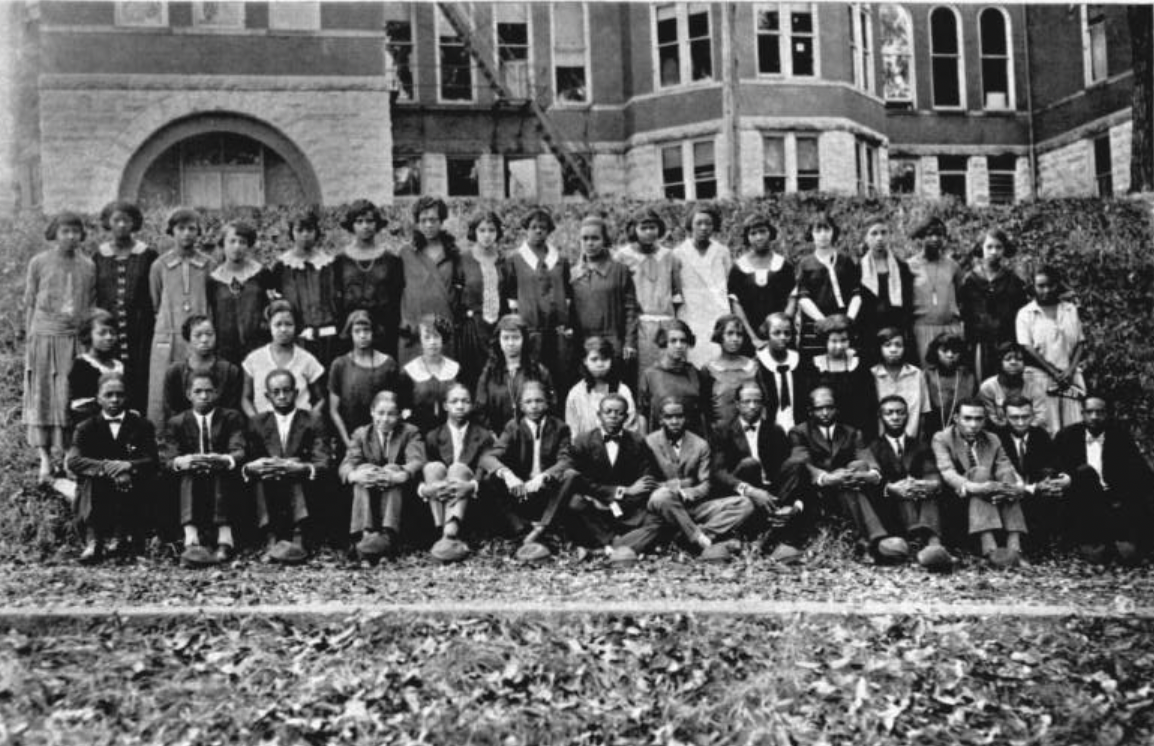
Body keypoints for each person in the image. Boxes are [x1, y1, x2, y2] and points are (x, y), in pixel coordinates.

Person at [790, 387, 911, 564]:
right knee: (848, 480)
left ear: (836, 409)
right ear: (810, 411)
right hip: (818, 492)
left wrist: (871, 475)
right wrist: (827, 477)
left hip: (849, 490)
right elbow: (803, 463)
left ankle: (867, 542)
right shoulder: (799, 432)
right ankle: (874, 541)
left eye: (829, 407)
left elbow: (868, 459)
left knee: (857, 469)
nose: (825, 413)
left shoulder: (851, 432)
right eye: (819, 408)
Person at [25, 211, 97, 482]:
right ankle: (45, 459)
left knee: (70, 398)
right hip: (43, 336)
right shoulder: (38, 263)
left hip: (74, 339)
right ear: (54, 233)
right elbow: (30, 302)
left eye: (75, 231)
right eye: (65, 231)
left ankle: (70, 456)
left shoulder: (88, 265)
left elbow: (90, 305)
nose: (70, 236)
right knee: (42, 396)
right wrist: (31, 340)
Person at [637, 397, 753, 562]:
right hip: (664, 507)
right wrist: (683, 483)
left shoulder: (700, 445)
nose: (675, 421)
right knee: (661, 495)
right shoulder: (648, 443)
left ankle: (692, 537)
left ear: (686, 418)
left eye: (679, 416)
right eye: (669, 417)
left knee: (745, 504)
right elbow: (648, 482)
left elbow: (706, 484)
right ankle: (698, 538)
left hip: (692, 505)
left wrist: (686, 493)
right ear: (661, 419)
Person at [712, 382, 812, 563]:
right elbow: (718, 472)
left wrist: (794, 504)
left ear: (763, 404)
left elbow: (786, 471)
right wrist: (750, 490)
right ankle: (761, 539)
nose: (752, 406)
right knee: (750, 464)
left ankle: (775, 535)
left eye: (757, 401)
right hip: (743, 489)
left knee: (796, 465)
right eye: (746, 401)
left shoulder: (774, 430)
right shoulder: (722, 430)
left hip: (771, 492)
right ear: (737, 404)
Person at [480, 380, 578, 562]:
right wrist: (507, 474)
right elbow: (488, 458)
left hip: (547, 493)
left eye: (539, 401)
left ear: (547, 403)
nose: (534, 406)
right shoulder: (513, 427)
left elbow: (567, 460)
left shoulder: (560, 428)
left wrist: (544, 476)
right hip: (521, 491)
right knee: (489, 480)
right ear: (520, 405)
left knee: (571, 475)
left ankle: (541, 528)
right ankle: (522, 529)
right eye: (528, 402)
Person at [159, 370, 248, 567]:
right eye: (198, 391)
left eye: (209, 391)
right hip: (189, 480)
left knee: (218, 468)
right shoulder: (177, 422)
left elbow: (239, 450)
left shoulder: (231, 417)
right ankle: (191, 539)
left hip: (223, 479)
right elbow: (168, 459)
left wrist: (224, 459)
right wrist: (183, 461)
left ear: (216, 393)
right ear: (188, 394)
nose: (204, 396)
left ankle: (225, 539)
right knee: (189, 472)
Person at [66, 372, 158, 563]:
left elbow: (152, 460)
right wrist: (108, 468)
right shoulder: (86, 427)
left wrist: (128, 466)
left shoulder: (141, 425)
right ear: (98, 398)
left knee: (136, 484)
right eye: (108, 395)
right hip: (98, 486)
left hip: (131, 487)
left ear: (127, 397)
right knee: (90, 481)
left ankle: (121, 537)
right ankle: (93, 541)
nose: (114, 399)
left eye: (119, 394)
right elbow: (74, 461)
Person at [242, 369, 330, 564]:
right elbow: (247, 459)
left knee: (294, 470)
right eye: (276, 392)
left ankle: (299, 537)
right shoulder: (257, 422)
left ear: (296, 393)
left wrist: (302, 467)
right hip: (269, 485)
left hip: (303, 486)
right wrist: (255, 466)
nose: (282, 396)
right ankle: (270, 537)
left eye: (287, 390)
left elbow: (322, 461)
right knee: (264, 474)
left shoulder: (312, 419)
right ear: (267, 396)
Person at [1053, 396, 1154, 564]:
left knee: (1129, 552)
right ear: (1082, 413)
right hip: (1082, 498)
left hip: (1114, 497)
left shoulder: (1119, 435)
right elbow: (1055, 466)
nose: (1094, 417)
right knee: (1085, 472)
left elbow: (1139, 471)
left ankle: (1121, 541)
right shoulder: (1067, 435)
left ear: (1107, 414)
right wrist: (1068, 477)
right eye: (1089, 412)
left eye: (1099, 412)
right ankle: (1093, 542)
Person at [566, 394, 662, 567]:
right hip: (595, 507)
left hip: (627, 509)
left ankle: (610, 548)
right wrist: (621, 491)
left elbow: (646, 480)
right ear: (599, 415)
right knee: (575, 503)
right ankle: (621, 546)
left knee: (656, 521)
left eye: (618, 413)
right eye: (608, 412)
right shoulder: (583, 441)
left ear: (626, 417)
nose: (612, 416)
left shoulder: (638, 441)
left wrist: (621, 501)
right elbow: (581, 481)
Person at [931, 397, 1027, 567]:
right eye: (967, 418)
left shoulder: (992, 439)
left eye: (978, 419)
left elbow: (1004, 467)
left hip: (990, 497)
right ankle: (988, 547)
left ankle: (1015, 545)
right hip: (958, 500)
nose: (973, 424)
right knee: (981, 472)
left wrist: (1010, 489)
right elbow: (948, 472)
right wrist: (977, 487)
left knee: (1007, 475)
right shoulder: (942, 438)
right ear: (956, 419)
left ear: (985, 420)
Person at [868, 395, 954, 571]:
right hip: (891, 507)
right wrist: (893, 488)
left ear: (908, 415)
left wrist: (926, 484)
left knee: (929, 490)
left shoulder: (920, 445)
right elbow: (874, 482)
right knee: (903, 487)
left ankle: (933, 544)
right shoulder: (873, 447)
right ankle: (917, 544)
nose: (895, 417)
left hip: (920, 503)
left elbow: (932, 472)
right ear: (880, 417)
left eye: (900, 413)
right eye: (889, 413)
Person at [339, 390, 425, 562]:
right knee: (364, 469)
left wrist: (401, 474)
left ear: (400, 415)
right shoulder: (361, 434)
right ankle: (364, 534)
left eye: (391, 414)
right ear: (372, 412)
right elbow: (347, 464)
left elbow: (417, 460)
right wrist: (356, 475)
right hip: (368, 489)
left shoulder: (410, 432)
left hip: (397, 492)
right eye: (380, 413)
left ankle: (388, 535)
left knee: (393, 468)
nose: (385, 419)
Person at [147, 208, 214, 427]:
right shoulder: (160, 265)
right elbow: (156, 301)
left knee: (197, 382)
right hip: (168, 335)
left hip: (197, 337)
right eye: (181, 228)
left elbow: (211, 299)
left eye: (192, 229)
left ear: (199, 233)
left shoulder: (208, 265)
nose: (186, 234)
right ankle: (162, 440)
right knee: (163, 389)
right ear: (171, 232)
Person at [418, 383, 495, 563]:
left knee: (457, 468)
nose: (460, 406)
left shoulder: (483, 436)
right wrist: (429, 489)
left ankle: (450, 531)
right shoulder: (433, 436)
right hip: (439, 499)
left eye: (465, 401)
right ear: (445, 405)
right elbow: (423, 474)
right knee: (432, 467)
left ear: (472, 405)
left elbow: (485, 470)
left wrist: (470, 486)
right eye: (454, 401)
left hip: (471, 501)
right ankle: (442, 532)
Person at [94, 200, 157, 413]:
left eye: (126, 220)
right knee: (110, 373)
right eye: (116, 220)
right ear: (108, 223)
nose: (121, 225)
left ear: (134, 223)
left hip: (140, 327)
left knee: (140, 371)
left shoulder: (147, 255)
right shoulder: (99, 256)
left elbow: (154, 292)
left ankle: (139, 423)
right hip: (109, 328)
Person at [504, 207, 574, 391]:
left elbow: (567, 293)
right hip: (530, 329)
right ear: (526, 229)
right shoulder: (515, 260)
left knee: (559, 376)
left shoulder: (560, 260)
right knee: (532, 377)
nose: (538, 231)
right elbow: (511, 296)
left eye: (543, 227)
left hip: (557, 331)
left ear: (549, 230)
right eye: (534, 227)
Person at [613, 207, 683, 386]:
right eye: (643, 228)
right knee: (643, 375)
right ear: (633, 230)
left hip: (665, 321)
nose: (649, 232)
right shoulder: (622, 257)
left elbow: (677, 293)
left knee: (667, 373)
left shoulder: (669, 256)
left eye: (653, 227)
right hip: (639, 324)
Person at [1016, 265, 1086, 434]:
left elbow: (1080, 343)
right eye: (1041, 286)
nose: (1046, 290)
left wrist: (1069, 371)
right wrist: (1054, 372)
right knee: (1048, 428)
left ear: (1057, 285)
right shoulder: (1026, 314)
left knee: (1074, 427)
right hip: (1040, 378)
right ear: (1033, 286)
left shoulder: (1070, 309)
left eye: (1050, 285)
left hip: (1070, 379)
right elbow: (1027, 348)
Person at [270, 207, 341, 369]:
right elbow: (276, 304)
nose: (305, 235)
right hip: (297, 340)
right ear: (291, 233)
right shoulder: (282, 267)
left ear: (316, 232)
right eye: (299, 230)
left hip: (328, 338)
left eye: (309, 229)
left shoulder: (329, 264)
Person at [398, 197, 467, 365]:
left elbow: (460, 290)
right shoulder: (406, 253)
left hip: (444, 327)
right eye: (423, 220)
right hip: (414, 327)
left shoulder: (452, 253)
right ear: (416, 222)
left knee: (445, 375)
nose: (428, 225)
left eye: (433, 220)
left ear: (441, 220)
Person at [334, 199, 403, 357]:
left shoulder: (391, 260)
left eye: (370, 221)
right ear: (352, 225)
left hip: (384, 328)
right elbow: (336, 297)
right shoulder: (340, 261)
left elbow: (397, 297)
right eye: (359, 221)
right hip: (350, 327)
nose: (365, 226)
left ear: (377, 224)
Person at [998, 395, 1069, 550]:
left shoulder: (1039, 435)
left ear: (1033, 416)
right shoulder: (997, 437)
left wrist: (1055, 480)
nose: (1021, 422)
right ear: (1004, 417)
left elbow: (1053, 463)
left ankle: (1046, 541)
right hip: (1009, 492)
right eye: (1014, 417)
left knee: (1053, 491)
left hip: (1034, 492)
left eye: (1025, 417)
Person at [959, 228, 1028, 381]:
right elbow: (964, 312)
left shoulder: (1013, 280)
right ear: (981, 249)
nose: (993, 252)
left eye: (998, 247)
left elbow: (1020, 312)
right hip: (979, 342)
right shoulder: (970, 280)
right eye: (989, 247)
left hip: (1006, 339)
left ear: (1004, 250)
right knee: (980, 380)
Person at [328, 309, 401, 451]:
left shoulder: (388, 364)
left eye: (366, 330)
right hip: (350, 441)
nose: (362, 335)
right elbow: (334, 410)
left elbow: (394, 407)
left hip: (382, 440)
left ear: (373, 332)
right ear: (350, 333)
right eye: (357, 331)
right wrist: (348, 443)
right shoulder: (340, 365)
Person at [570, 215, 638, 365]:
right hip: (583, 344)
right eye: (585, 239)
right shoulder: (573, 274)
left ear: (604, 240)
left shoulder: (620, 271)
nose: (589, 243)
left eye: (595, 238)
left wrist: (630, 342)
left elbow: (631, 310)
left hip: (613, 341)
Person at [241, 300, 325, 419]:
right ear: (269, 325)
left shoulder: (307, 360)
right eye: (278, 324)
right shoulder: (254, 359)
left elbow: (321, 399)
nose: (283, 329)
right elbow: (246, 399)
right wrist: (256, 422)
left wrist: (310, 420)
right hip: (265, 428)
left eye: (288, 324)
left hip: (299, 428)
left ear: (296, 326)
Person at [673, 203, 732, 369]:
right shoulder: (679, 253)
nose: (704, 227)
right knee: (693, 355)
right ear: (690, 225)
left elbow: (729, 283)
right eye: (699, 223)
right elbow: (676, 288)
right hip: (691, 312)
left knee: (717, 355)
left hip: (717, 310)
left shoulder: (722, 251)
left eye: (708, 223)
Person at [794, 211, 860, 362]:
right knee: (816, 365)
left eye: (827, 229)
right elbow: (803, 298)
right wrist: (824, 322)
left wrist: (848, 320)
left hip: (844, 322)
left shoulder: (845, 260)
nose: (823, 235)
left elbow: (856, 294)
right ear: (811, 234)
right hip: (816, 324)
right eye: (818, 230)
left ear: (833, 232)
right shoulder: (805, 263)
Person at [727, 214, 796, 354]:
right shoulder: (739, 268)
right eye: (753, 233)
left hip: (781, 337)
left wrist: (780, 331)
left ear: (770, 233)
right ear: (747, 237)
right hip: (749, 336)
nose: (759, 237)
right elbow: (736, 305)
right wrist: (753, 338)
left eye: (762, 232)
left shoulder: (783, 265)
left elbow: (792, 299)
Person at [474, 313, 554, 432]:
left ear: (524, 340)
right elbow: (480, 410)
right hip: (498, 440)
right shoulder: (489, 373)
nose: (510, 343)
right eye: (506, 338)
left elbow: (551, 406)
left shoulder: (538, 372)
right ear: (498, 340)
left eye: (516, 337)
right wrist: (493, 436)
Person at [208, 220, 270, 364]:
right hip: (224, 350)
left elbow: (271, 307)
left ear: (248, 246)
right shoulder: (213, 280)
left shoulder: (261, 274)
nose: (237, 247)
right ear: (223, 244)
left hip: (258, 347)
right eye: (232, 241)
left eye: (242, 242)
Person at [459, 211, 509, 390]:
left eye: (491, 230)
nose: (487, 235)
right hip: (472, 328)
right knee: (474, 376)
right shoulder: (462, 260)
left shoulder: (504, 261)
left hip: (498, 328)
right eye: (482, 230)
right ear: (474, 232)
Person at [161, 315, 243, 423]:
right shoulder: (175, 372)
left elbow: (232, 412)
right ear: (188, 338)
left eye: (209, 334)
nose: (204, 340)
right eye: (198, 335)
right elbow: (170, 411)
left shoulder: (229, 371)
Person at [855, 217, 914, 365]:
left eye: (883, 233)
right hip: (869, 330)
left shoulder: (901, 267)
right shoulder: (857, 268)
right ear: (865, 238)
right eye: (874, 234)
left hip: (896, 327)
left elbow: (908, 302)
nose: (879, 238)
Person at [907, 217, 963, 365]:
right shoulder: (910, 266)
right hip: (922, 330)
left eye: (939, 235)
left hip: (949, 328)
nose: (935, 239)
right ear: (921, 238)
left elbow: (959, 297)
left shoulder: (952, 266)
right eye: (929, 235)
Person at [637, 319, 707, 437]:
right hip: (661, 442)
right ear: (664, 343)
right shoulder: (650, 375)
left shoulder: (695, 373)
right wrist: (643, 445)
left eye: (683, 341)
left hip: (691, 442)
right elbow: (642, 414)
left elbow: (704, 413)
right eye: (673, 341)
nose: (679, 346)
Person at [809, 314, 875, 438]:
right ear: (825, 341)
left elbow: (868, 402)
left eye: (843, 340)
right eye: (834, 341)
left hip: (855, 428)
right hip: (823, 429)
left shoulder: (859, 365)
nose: (839, 346)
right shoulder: (814, 366)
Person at [398, 313, 461, 435]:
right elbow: (403, 409)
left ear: (443, 338)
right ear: (420, 339)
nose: (432, 342)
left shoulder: (455, 369)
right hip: (418, 436)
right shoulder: (409, 372)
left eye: (436, 336)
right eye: (427, 337)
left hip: (451, 434)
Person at [564, 335, 637, 438]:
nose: (600, 364)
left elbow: (630, 429)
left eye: (604, 359)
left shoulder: (622, 391)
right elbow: (573, 431)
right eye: (594, 359)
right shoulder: (576, 393)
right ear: (585, 361)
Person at [870, 327, 931, 440]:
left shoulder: (916, 374)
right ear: (879, 348)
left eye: (898, 345)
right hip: (880, 443)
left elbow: (923, 411)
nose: (893, 350)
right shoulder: (872, 374)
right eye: (887, 345)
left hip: (911, 441)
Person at [753, 313, 810, 433]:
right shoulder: (758, 363)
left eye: (787, 333)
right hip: (770, 425)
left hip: (798, 422)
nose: (783, 337)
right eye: (776, 333)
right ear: (767, 334)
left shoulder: (798, 360)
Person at [700, 314, 758, 429]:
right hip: (722, 432)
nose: (735, 339)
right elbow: (705, 408)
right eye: (730, 334)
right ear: (720, 336)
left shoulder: (753, 366)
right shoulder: (709, 369)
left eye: (739, 334)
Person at [68, 309, 124, 425]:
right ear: (88, 336)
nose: (109, 337)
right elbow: (80, 408)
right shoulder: (82, 367)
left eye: (112, 333)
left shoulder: (120, 366)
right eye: (102, 333)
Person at [978, 341, 1048, 433]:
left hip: (1029, 433)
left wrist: (1022, 428)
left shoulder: (1034, 387)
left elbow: (1040, 417)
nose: (1013, 363)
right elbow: (989, 418)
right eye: (1008, 359)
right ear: (1000, 363)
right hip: (997, 433)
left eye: (1019, 359)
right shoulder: (988, 387)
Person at [923, 331, 977, 436]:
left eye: (955, 351)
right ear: (936, 352)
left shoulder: (968, 377)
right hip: (931, 433)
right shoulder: (926, 375)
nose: (950, 355)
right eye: (944, 351)